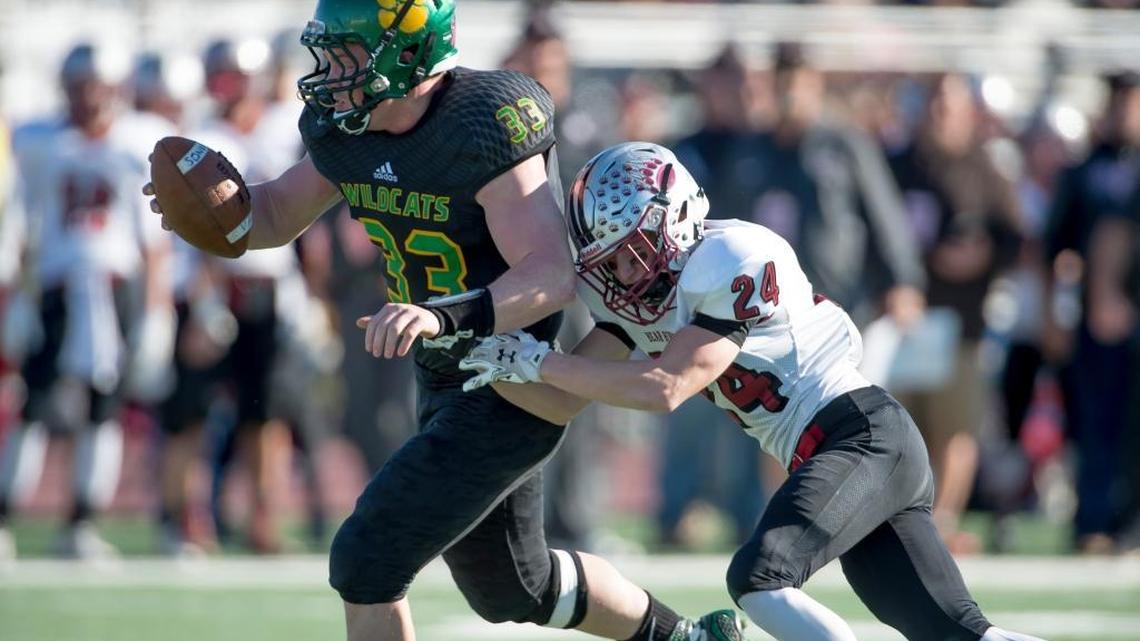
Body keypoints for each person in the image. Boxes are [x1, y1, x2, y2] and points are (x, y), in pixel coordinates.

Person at [144, 1, 741, 640]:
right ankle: (686, 638)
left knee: (367, 556)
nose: (329, 68)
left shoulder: (482, 123)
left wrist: (441, 316)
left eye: (347, 51)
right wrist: (215, 219)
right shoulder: (348, 124)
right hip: (441, 370)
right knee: (514, 584)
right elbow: (272, 216)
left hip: (509, 379)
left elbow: (549, 277)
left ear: (405, 54)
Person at [459, 141, 1048, 641]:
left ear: (674, 220)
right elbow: (564, 398)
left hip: (860, 435)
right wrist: (480, 365)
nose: (625, 277)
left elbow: (667, 386)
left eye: (634, 253)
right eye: (611, 263)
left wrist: (540, 362)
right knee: (963, 634)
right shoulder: (642, 299)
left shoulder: (731, 256)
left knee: (759, 577)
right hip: (842, 450)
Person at [0, 42, 172, 560]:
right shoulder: (38, 141)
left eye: (97, 85)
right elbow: (18, 226)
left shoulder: (137, 140)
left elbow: (153, 240)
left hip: (114, 289)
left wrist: (157, 311)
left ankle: (81, 522)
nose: (88, 97)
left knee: (104, 410)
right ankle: (5, 518)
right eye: (79, 86)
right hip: (53, 287)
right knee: (33, 404)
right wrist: (17, 298)